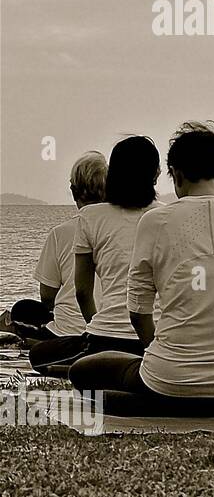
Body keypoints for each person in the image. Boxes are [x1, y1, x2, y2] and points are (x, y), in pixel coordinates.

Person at [68, 121, 214, 405]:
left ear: (176, 176)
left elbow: (138, 310)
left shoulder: (153, 222)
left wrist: (159, 350)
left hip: (168, 380)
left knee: (84, 370)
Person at [30, 136, 162, 374]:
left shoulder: (90, 217)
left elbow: (82, 291)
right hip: (156, 339)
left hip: (106, 338)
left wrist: (93, 326)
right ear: (157, 174)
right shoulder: (167, 217)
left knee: (40, 356)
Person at [2, 153, 107, 344]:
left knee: (21, 311)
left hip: (70, 333)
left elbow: (47, 295)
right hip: (114, 328)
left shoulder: (61, 233)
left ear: (73, 191)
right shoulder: (122, 229)